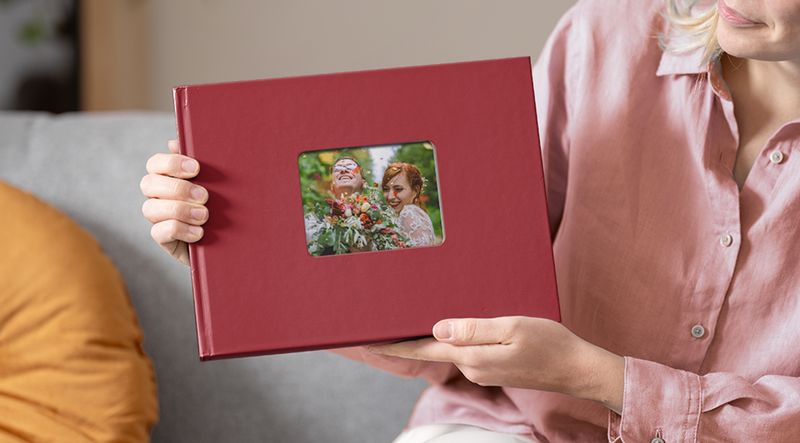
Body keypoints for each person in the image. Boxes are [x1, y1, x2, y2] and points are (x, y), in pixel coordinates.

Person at [140, 0, 800, 440]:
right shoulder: (606, 35)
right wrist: (235, 254)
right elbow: (463, 276)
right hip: (512, 425)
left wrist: (599, 378)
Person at [381, 162, 436, 247]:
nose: (390, 197)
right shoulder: (418, 214)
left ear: (415, 190)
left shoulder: (408, 213)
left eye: (398, 189)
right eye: (386, 189)